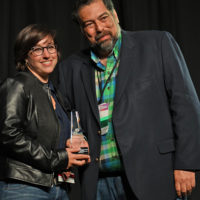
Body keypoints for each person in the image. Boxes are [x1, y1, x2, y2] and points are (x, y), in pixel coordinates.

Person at [58, 0, 200, 199]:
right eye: (89, 24)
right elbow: (66, 123)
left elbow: (186, 105)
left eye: (103, 18)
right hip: (99, 184)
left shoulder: (157, 44)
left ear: (115, 15)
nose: (99, 28)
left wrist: (187, 164)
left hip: (155, 176)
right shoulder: (70, 68)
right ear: (82, 30)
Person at [0, 24, 90, 200]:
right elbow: (8, 134)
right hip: (24, 187)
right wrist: (58, 159)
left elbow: (62, 135)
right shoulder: (16, 85)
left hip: (58, 188)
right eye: (38, 49)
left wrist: (78, 143)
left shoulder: (57, 95)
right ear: (25, 56)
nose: (47, 54)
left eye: (50, 47)